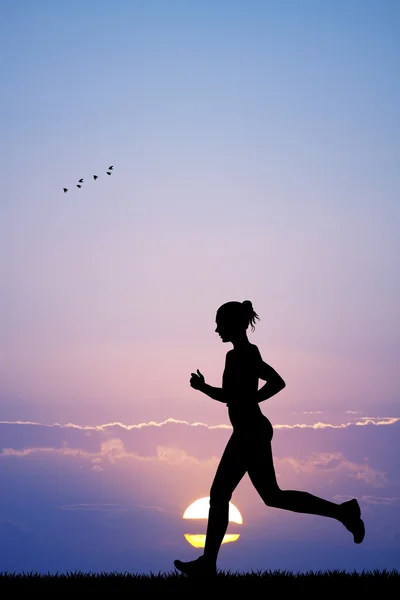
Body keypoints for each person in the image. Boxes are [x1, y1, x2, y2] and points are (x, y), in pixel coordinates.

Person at [174, 300, 365, 577]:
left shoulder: (246, 354)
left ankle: (208, 564)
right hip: (248, 431)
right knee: (271, 496)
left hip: (251, 431)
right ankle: (343, 513)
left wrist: (241, 397)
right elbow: (247, 392)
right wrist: (214, 391)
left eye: (219, 323)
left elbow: (268, 385)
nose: (216, 329)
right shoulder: (236, 355)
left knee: (221, 494)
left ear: (234, 324)